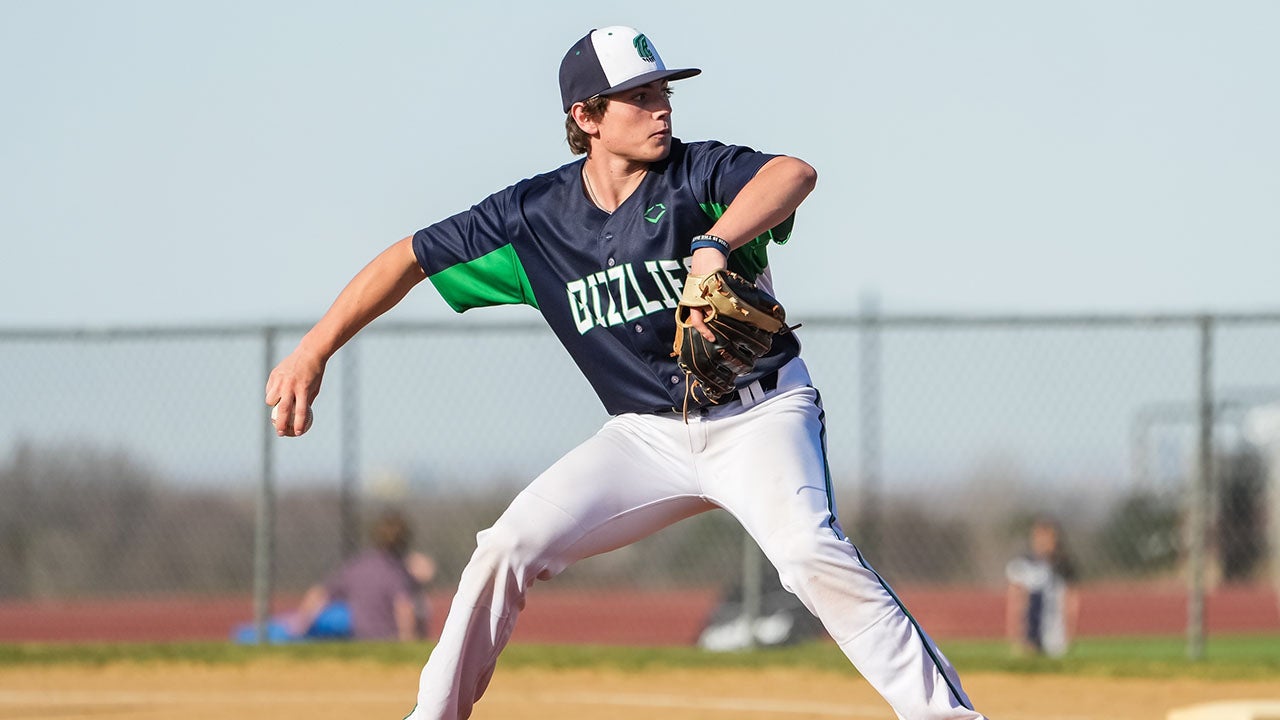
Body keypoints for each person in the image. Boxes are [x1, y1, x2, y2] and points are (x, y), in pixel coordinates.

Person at [265, 25, 986, 719]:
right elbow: (409, 259)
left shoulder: (698, 173)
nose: (661, 105)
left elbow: (792, 174)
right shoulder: (533, 217)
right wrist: (313, 349)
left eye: (662, 90)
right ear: (586, 116)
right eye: (639, 96)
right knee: (504, 547)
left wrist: (714, 242)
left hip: (760, 416)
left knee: (806, 553)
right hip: (645, 437)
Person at [288, 511, 434, 642]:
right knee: (422, 604)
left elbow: (319, 593)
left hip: (361, 637)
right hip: (389, 639)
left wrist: (301, 625)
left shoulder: (357, 565)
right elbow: (403, 607)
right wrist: (407, 639)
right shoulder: (396, 572)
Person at [1005, 516, 1079, 658]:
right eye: (1039, 537)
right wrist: (1015, 634)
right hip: (1031, 629)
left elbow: (1070, 599)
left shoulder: (1062, 566)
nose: (1042, 542)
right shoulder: (1024, 564)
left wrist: (1070, 631)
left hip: (1055, 632)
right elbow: (1016, 600)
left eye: (1047, 537)